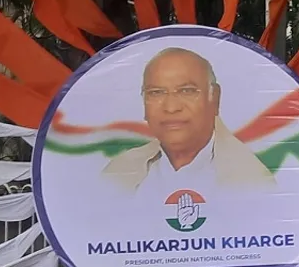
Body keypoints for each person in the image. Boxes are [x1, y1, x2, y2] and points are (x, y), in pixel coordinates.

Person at [102, 46, 274, 195]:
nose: (171, 108)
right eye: (156, 93)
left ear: (214, 99)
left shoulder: (252, 180)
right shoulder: (118, 173)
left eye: (187, 91)